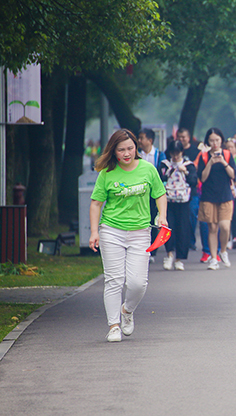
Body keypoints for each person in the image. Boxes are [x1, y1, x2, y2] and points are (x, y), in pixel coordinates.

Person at [89, 129, 167, 342]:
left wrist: (162, 216)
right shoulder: (107, 173)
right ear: (113, 151)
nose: (126, 153)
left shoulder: (147, 169)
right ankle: (114, 326)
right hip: (111, 230)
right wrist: (94, 232)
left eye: (130, 148)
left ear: (136, 148)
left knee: (138, 283)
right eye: (121, 150)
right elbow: (96, 203)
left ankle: (127, 310)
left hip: (140, 232)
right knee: (114, 280)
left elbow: (160, 194)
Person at [197, 127, 236, 270]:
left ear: (221, 140)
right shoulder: (203, 156)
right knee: (212, 228)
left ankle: (223, 251)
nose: (214, 143)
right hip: (208, 196)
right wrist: (210, 162)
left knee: (225, 227)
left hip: (225, 195)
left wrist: (223, 162)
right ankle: (214, 258)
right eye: (211, 140)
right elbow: (202, 178)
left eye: (217, 140)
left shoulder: (227, 154)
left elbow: (233, 175)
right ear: (207, 141)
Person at [159, 140, 197, 270]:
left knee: (183, 229)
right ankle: (169, 254)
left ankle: (179, 258)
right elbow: (159, 179)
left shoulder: (188, 165)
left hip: (183, 201)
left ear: (182, 152)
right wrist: (169, 172)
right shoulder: (165, 165)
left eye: (178, 153)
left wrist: (185, 172)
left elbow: (194, 181)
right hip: (168, 201)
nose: (175, 156)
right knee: (168, 227)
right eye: (173, 153)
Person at [137, 128, 167, 262]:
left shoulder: (159, 155)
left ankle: (152, 251)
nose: (139, 141)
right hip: (140, 192)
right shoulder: (137, 155)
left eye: (142, 138)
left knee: (153, 221)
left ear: (150, 140)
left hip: (153, 192)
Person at [176, 128, 203, 253]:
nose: (181, 139)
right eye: (179, 137)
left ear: (189, 138)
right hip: (175, 191)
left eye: (184, 137)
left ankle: (191, 241)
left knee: (192, 215)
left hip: (192, 189)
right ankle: (179, 241)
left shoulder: (196, 152)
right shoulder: (172, 150)